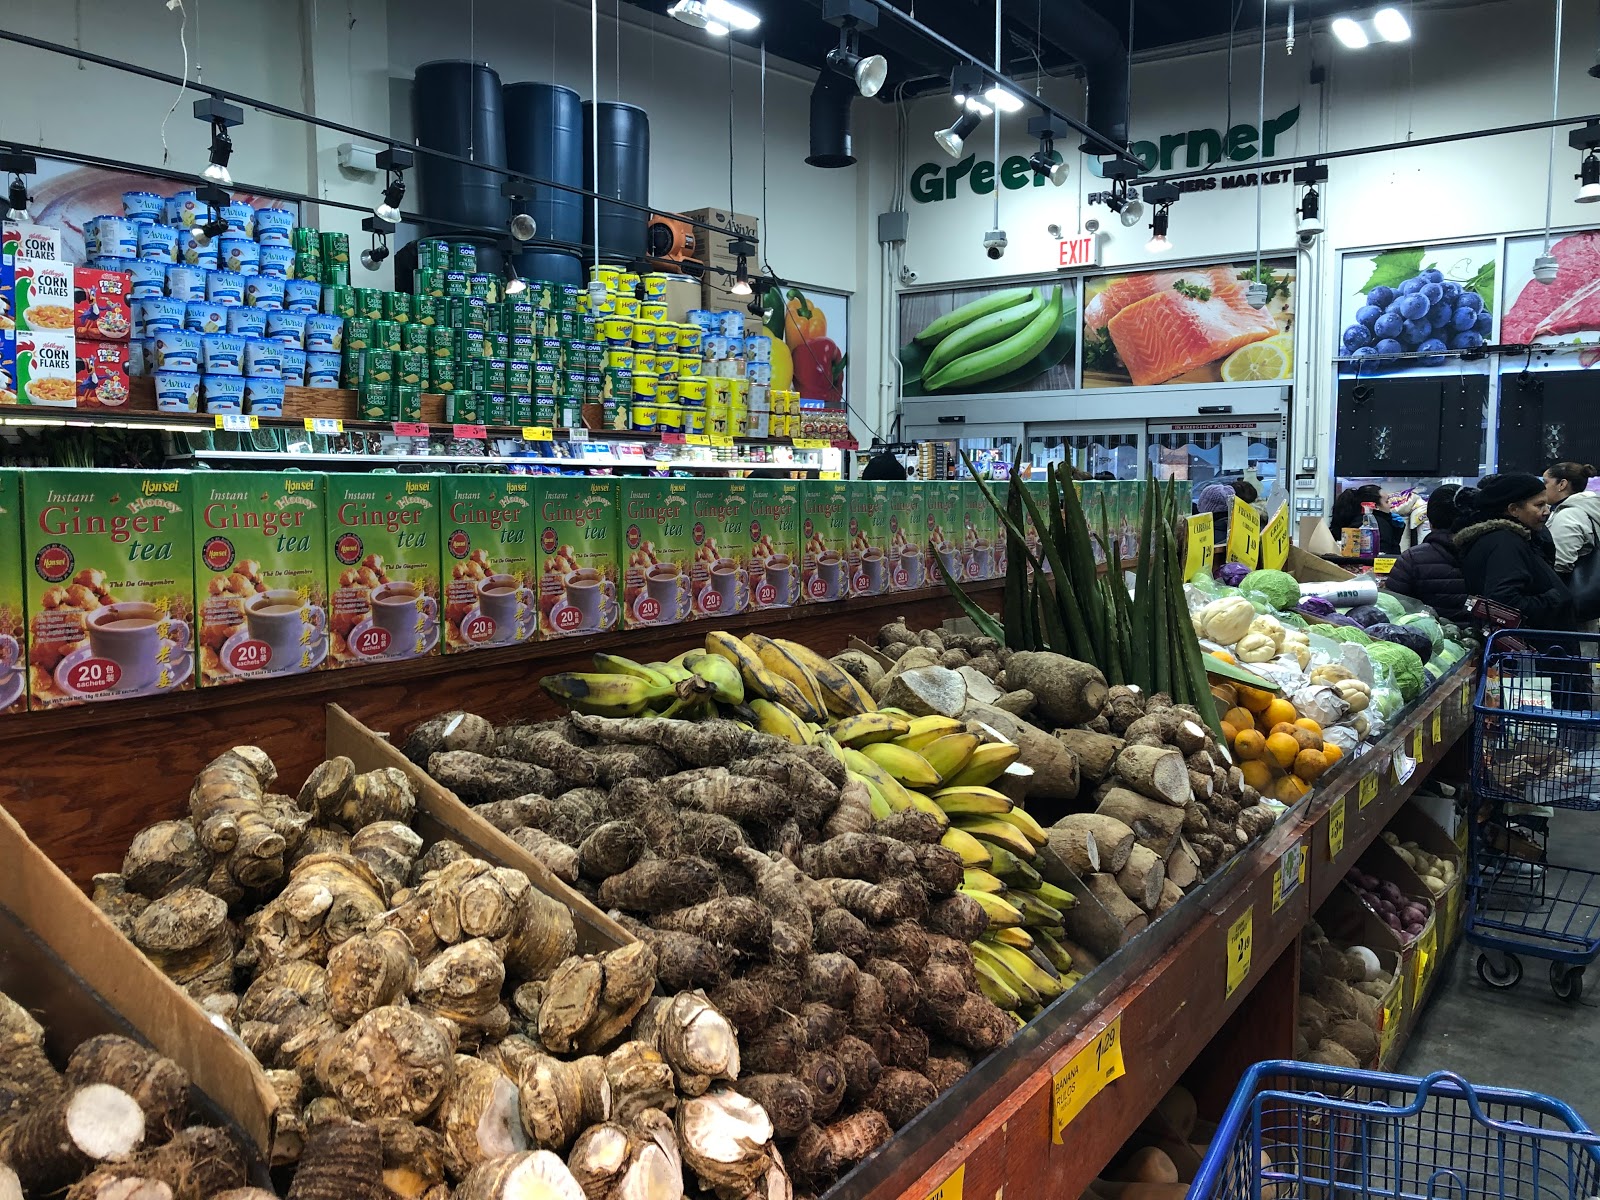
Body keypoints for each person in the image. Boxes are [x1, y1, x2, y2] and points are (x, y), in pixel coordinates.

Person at [1456, 473, 1577, 632]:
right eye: (1539, 505)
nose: (1546, 511)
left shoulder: (1514, 539)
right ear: (1513, 509)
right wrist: (1554, 599)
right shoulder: (1505, 543)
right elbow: (1504, 605)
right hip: (1528, 648)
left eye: (1546, 505)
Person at [1383, 484, 1470, 622]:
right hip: (1481, 639)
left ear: (1429, 520)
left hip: (1428, 639)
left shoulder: (1411, 558)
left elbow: (1391, 609)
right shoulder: (1491, 553)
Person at [1544, 461, 1600, 579]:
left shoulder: (1569, 514)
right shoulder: (1588, 506)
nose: (1542, 488)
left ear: (1562, 484)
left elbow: (1560, 563)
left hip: (1568, 588)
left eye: (1545, 482)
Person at [1329, 484, 1403, 555]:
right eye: (1387, 501)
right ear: (1374, 506)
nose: (1391, 505)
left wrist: (1397, 530)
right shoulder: (1372, 523)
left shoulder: (1357, 520)